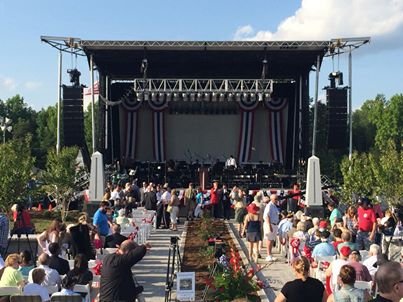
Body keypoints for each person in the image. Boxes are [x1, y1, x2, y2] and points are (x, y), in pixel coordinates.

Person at [263, 194, 280, 262]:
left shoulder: (274, 206)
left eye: (277, 199)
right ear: (271, 199)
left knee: (272, 240)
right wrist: (269, 226)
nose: (276, 200)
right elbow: (267, 216)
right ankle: (268, 255)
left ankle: (270, 254)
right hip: (270, 224)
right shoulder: (269, 206)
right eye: (275, 199)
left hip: (274, 224)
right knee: (269, 240)